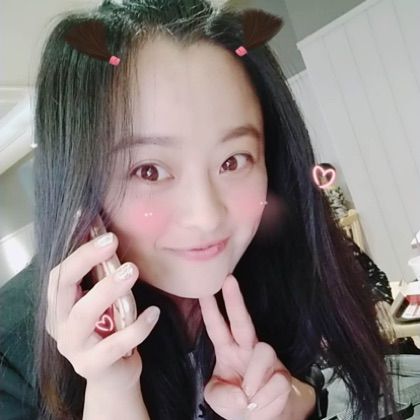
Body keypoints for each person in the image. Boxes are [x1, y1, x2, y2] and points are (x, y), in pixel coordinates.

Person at [0, 1, 404, 419]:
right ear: (79, 180)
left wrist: (292, 404)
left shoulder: (280, 254)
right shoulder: (10, 357)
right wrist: (111, 389)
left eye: (233, 161)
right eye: (149, 170)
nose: (207, 217)